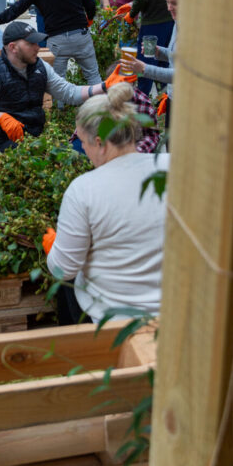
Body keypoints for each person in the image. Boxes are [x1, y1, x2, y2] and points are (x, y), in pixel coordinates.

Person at [46, 83, 169, 325]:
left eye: (82, 142)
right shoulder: (172, 165)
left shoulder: (83, 190)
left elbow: (64, 269)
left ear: (101, 142)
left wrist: (54, 251)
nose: (82, 149)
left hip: (116, 322)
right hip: (176, 312)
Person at [0, 21, 106, 156]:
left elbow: (68, 92)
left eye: (37, 42)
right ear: (13, 47)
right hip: (1, 148)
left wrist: (105, 86)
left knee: (78, 154)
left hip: (36, 141)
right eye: (31, 43)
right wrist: (1, 118)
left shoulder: (40, 66)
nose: (38, 47)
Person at [0, 0, 101, 85]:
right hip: (80, 35)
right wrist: (89, 19)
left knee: (58, 81)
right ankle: (101, 104)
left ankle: (58, 106)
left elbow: (15, 10)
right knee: (93, 75)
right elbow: (90, 3)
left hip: (57, 40)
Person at [123, 0, 179, 120]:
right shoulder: (178, 23)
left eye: (174, 3)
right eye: (167, 2)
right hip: (173, 97)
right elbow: (177, 57)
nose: (169, 8)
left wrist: (144, 69)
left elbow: (181, 75)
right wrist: (159, 52)